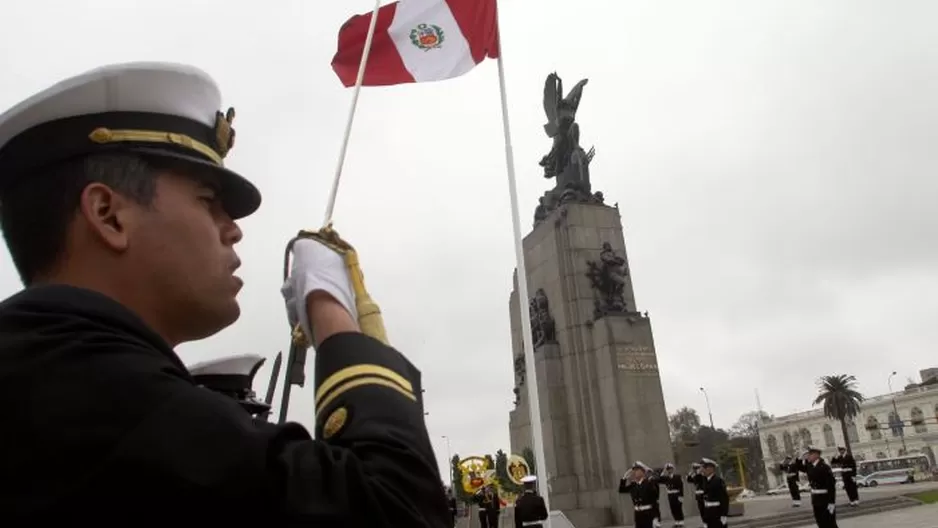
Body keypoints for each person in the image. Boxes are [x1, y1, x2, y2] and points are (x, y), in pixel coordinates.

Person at [0, 63, 448, 526]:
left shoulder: (51, 368)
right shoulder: (100, 398)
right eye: (207, 201)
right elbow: (394, 509)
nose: (233, 230)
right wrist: (333, 311)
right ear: (108, 214)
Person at [618, 461, 661, 528]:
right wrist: (624, 478)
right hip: (638, 514)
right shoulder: (633, 485)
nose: (635, 472)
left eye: (637, 470)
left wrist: (656, 517)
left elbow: (655, 501)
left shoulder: (649, 483)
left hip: (648, 514)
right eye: (634, 470)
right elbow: (622, 490)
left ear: (643, 472)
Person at [804, 447, 838, 528]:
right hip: (816, 499)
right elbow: (799, 466)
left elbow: (831, 485)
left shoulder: (824, 467)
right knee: (820, 523)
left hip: (825, 499)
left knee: (830, 524)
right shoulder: (810, 466)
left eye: (810, 454)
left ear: (816, 455)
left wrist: (831, 502)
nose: (808, 456)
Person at [699, 459, 728, 528]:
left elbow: (724, 498)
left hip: (717, 512)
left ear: (711, 469)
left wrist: (724, 514)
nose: (702, 470)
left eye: (704, 468)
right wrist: (705, 518)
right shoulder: (705, 480)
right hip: (708, 512)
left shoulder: (718, 481)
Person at [658, 462, 685, 527]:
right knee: (673, 508)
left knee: (678, 508)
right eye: (668, 469)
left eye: (670, 469)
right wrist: (664, 470)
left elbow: (681, 487)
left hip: (676, 494)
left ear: (673, 469)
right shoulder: (666, 478)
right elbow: (659, 479)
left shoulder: (677, 477)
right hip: (670, 495)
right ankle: (676, 522)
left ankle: (681, 522)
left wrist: (681, 496)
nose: (669, 470)